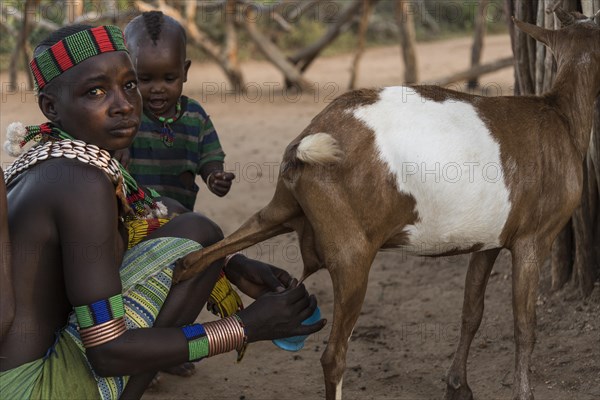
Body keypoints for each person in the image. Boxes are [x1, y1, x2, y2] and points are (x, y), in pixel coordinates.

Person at [0, 24, 325, 400]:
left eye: (129, 85)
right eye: (96, 91)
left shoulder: (50, 160)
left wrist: (229, 262)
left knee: (192, 229)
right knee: (196, 230)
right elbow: (107, 352)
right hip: (32, 388)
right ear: (51, 107)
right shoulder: (80, 181)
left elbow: (159, 211)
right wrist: (246, 326)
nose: (123, 104)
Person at [116, 11, 234, 212]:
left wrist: (214, 177)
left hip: (178, 218)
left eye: (169, 78)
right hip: (132, 218)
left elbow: (209, 157)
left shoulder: (195, 116)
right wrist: (117, 147)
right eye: (144, 79)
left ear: (184, 71)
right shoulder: (124, 112)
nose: (157, 88)